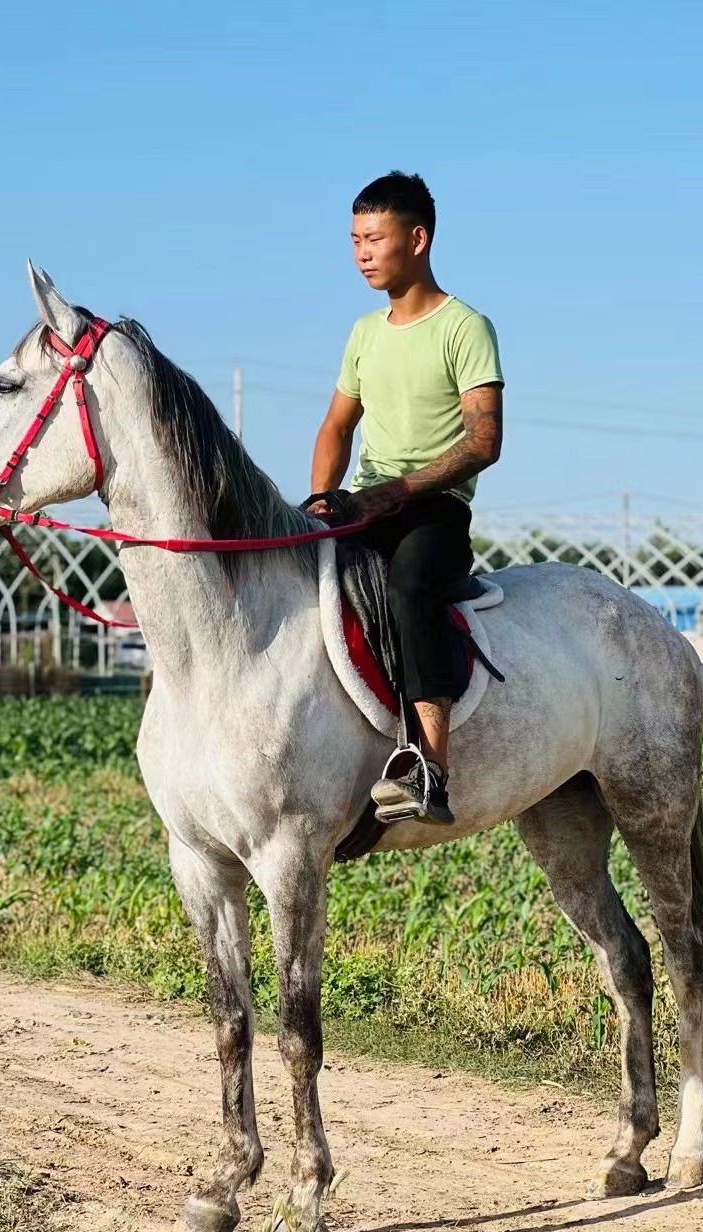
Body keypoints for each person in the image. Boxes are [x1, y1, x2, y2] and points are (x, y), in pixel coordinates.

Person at [308, 171, 504, 826]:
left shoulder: (465, 327)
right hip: (365, 503)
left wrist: (393, 493)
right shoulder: (364, 332)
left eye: (375, 238)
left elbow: (483, 441)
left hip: (434, 509)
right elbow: (337, 427)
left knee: (410, 586)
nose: (361, 252)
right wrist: (321, 498)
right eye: (355, 239)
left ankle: (429, 770)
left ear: (417, 239)